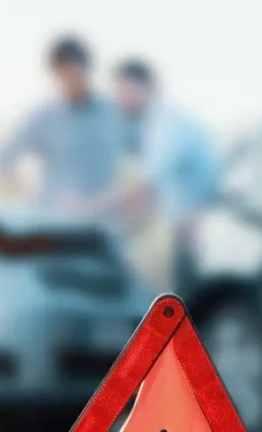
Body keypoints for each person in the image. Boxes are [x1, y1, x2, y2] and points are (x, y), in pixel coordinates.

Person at [88, 58, 222, 290]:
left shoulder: (167, 123)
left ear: (144, 86)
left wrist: (91, 208)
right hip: (188, 234)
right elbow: (152, 199)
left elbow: (144, 187)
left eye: (122, 90)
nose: (118, 100)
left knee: (190, 302)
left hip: (205, 234)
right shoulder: (156, 123)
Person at [0, 35, 127, 216]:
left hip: (104, 221)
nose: (70, 81)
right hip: (55, 222)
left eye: (75, 73)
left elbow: (146, 160)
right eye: (63, 74)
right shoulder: (42, 116)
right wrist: (27, 198)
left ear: (87, 69)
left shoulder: (115, 112)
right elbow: (0, 160)